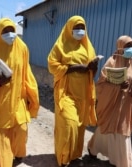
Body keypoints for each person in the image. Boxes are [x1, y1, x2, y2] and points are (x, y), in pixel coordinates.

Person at [0, 18, 40, 167]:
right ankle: (4, 163)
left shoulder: (22, 48)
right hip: (0, 100)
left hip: (19, 98)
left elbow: (26, 72)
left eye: (11, 30)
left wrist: (31, 94)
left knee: (21, 129)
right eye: (5, 31)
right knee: (2, 135)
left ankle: (18, 153)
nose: (9, 34)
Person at [47, 15, 98, 167]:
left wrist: (92, 68)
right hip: (66, 92)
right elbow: (52, 65)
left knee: (80, 126)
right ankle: (63, 157)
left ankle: (74, 156)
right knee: (69, 124)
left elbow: (91, 72)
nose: (80, 31)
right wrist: (73, 68)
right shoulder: (60, 46)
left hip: (83, 93)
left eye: (82, 27)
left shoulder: (87, 47)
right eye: (76, 28)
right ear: (69, 29)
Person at [87, 35, 132, 167]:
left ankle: (121, 161)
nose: (130, 49)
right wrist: (117, 86)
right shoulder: (111, 62)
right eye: (127, 46)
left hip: (125, 104)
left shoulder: (131, 62)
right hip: (111, 103)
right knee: (108, 126)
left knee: (121, 130)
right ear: (120, 47)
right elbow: (101, 85)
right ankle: (94, 148)